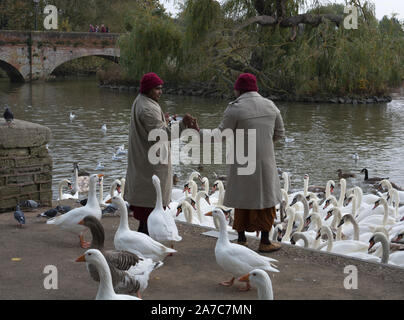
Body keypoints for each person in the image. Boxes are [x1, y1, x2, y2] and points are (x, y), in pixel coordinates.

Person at [209, 73, 285, 252]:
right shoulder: (271, 106)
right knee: (267, 200)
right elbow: (280, 133)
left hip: (243, 161)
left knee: (242, 198)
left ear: (238, 89)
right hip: (266, 162)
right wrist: (263, 145)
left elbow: (220, 135)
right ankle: (265, 241)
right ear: (255, 88)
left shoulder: (235, 109)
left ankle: (241, 240)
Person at [124, 72, 199, 235]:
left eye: (161, 88)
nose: (160, 91)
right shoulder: (147, 108)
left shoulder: (142, 101)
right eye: (157, 89)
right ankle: (145, 239)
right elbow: (161, 135)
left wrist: (164, 121)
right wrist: (183, 124)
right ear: (148, 89)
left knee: (147, 206)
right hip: (150, 164)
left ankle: (144, 236)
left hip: (145, 159)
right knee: (151, 204)